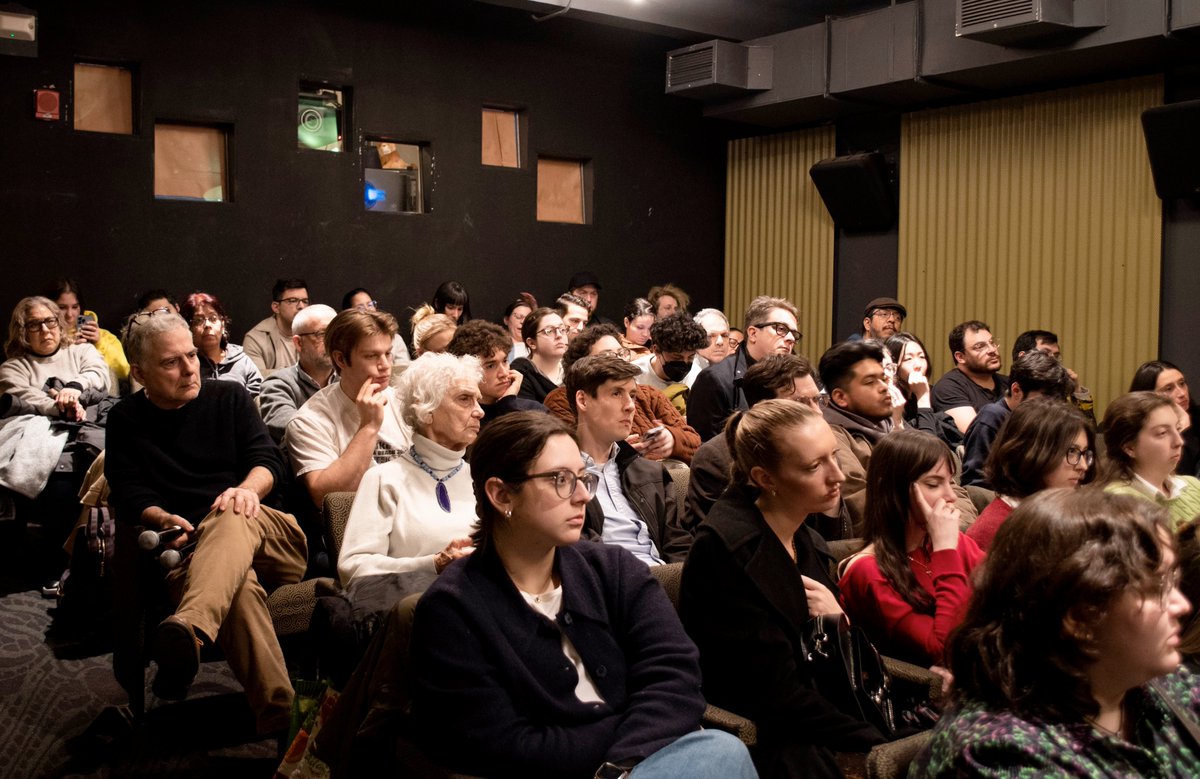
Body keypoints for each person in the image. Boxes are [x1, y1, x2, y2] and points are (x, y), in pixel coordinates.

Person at [409, 412, 756, 779]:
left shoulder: (614, 569)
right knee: (719, 754)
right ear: (500, 494)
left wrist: (620, 764)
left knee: (719, 751)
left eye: (583, 478)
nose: (583, 496)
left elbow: (675, 678)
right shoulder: (452, 608)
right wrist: (627, 739)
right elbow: (498, 744)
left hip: (639, 762)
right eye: (560, 480)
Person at [105, 311, 307, 736]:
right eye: (171, 362)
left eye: (192, 356)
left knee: (230, 511)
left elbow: (269, 461)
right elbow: (127, 490)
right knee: (239, 593)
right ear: (139, 373)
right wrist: (158, 516)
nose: (189, 368)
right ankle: (282, 720)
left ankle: (189, 626)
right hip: (191, 551)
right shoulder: (126, 418)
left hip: (274, 537)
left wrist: (248, 490)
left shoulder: (229, 399)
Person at [910, 489, 1196, 777]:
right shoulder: (999, 757)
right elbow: (937, 643)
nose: (1182, 606)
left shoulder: (1159, 681)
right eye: (1156, 588)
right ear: (1080, 617)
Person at [680, 400, 888, 778]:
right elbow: (771, 694)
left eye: (834, 457)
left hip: (816, 713)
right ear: (765, 478)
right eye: (814, 467)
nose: (837, 475)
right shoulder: (727, 550)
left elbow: (831, 659)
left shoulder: (803, 535)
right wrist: (876, 738)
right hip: (764, 734)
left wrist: (840, 619)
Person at [337, 353, 482, 614]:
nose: (479, 411)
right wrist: (433, 564)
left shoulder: (483, 480)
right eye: (464, 399)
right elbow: (353, 567)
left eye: (478, 400)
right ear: (426, 410)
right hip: (416, 613)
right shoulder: (385, 479)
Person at [838, 429, 985, 666]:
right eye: (934, 484)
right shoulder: (868, 571)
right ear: (894, 490)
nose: (951, 496)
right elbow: (944, 649)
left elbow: (1006, 599)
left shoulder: (953, 540)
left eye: (950, 482)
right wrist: (945, 551)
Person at [1, 295, 111, 588]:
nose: (45, 330)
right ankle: (57, 567)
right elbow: (24, 396)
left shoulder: (82, 351)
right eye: (35, 325)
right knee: (58, 486)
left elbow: (99, 375)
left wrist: (73, 389)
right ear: (23, 331)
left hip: (87, 435)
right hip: (45, 443)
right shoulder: (15, 366)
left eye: (50, 322)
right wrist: (61, 405)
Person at [568, 354, 692, 563]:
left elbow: (679, 546)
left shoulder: (651, 472)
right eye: (616, 393)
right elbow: (578, 554)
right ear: (583, 400)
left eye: (632, 395)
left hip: (664, 582)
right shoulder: (561, 477)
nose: (630, 406)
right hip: (608, 584)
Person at [285, 308, 411, 507]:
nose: (385, 365)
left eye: (388, 353)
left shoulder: (402, 402)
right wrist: (369, 426)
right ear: (341, 359)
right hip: (358, 526)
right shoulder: (308, 420)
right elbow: (326, 498)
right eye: (371, 356)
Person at [684, 354, 823, 532]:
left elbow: (837, 533)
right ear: (763, 407)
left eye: (817, 400)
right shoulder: (716, 458)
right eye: (802, 403)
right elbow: (720, 540)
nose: (817, 412)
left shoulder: (821, 447)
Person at [542, 324, 699, 464]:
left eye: (621, 353)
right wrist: (618, 451)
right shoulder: (563, 398)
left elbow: (695, 443)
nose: (618, 360)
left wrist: (672, 439)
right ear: (583, 363)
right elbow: (572, 450)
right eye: (608, 355)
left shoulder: (649, 394)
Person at [967, 398, 1095, 551]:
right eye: (1072, 451)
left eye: (1084, 453)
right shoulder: (996, 531)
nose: (1083, 466)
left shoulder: (1062, 516)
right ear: (1032, 454)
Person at [688, 295, 800, 441]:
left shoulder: (797, 377)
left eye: (794, 333)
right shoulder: (715, 379)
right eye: (781, 329)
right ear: (753, 333)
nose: (790, 338)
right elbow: (706, 451)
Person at [960, 349, 1074, 486]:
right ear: (1016, 391)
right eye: (1043, 401)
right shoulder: (992, 418)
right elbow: (975, 484)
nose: (1049, 409)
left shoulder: (1045, 421)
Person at [1100, 391, 1200, 529]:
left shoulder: (1193, 485)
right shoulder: (1118, 502)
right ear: (1130, 448)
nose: (1179, 441)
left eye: (1177, 428)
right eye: (1162, 433)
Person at [258, 303, 338, 443]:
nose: (332, 342)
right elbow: (295, 430)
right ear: (299, 343)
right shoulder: (277, 384)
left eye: (336, 333)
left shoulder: (349, 378)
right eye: (322, 334)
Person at [446, 319, 545, 426]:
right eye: (490, 366)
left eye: (505, 361)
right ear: (466, 369)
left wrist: (509, 403)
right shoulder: (462, 421)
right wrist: (508, 406)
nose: (504, 373)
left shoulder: (534, 410)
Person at [47, 277, 128, 394]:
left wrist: (99, 344)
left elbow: (123, 373)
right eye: (62, 307)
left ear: (81, 307)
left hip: (97, 398)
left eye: (75, 307)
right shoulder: (43, 337)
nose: (70, 314)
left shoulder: (105, 337)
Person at [931, 320, 1009, 435]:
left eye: (992, 343)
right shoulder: (948, 387)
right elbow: (978, 435)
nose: (992, 350)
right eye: (980, 347)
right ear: (960, 357)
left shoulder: (1009, 383)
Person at [179, 291, 263, 397]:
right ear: (188, 327)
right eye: (198, 320)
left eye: (213, 318)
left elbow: (259, 398)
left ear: (223, 325)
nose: (207, 325)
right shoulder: (186, 365)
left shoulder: (242, 361)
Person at [883, 332, 958, 445]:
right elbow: (928, 448)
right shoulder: (891, 398)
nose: (918, 364)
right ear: (892, 366)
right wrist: (922, 398)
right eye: (908, 359)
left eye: (922, 357)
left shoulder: (932, 392)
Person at [1131, 360, 1200, 477]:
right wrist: (1184, 429)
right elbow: (1177, 476)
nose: (1182, 393)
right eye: (1169, 389)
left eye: (1182, 383)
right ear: (1148, 396)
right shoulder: (1138, 431)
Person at [1012, 328, 1096, 423]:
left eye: (1056, 356)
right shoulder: (1004, 393)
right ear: (1024, 357)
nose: (1053, 360)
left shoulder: (1058, 393)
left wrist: (1077, 391)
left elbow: (1088, 431)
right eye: (1045, 353)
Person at [631, 314, 708, 406]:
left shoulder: (696, 376)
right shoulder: (635, 375)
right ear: (656, 350)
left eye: (691, 357)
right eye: (677, 357)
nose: (685, 362)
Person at [243, 278, 308, 377]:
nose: (301, 306)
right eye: (293, 300)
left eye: (305, 301)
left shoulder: (315, 333)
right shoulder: (255, 338)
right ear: (276, 307)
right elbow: (255, 379)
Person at [342, 287, 412, 372]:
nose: (368, 310)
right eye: (360, 307)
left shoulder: (395, 339)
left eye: (370, 304)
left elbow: (404, 372)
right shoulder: (345, 343)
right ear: (349, 314)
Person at [510, 307, 567, 404]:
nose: (559, 335)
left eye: (562, 329)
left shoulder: (573, 368)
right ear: (531, 343)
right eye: (549, 331)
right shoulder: (521, 374)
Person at [502, 296, 533, 363]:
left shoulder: (538, 345)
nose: (523, 321)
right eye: (518, 317)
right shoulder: (499, 348)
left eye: (528, 318)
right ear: (506, 320)